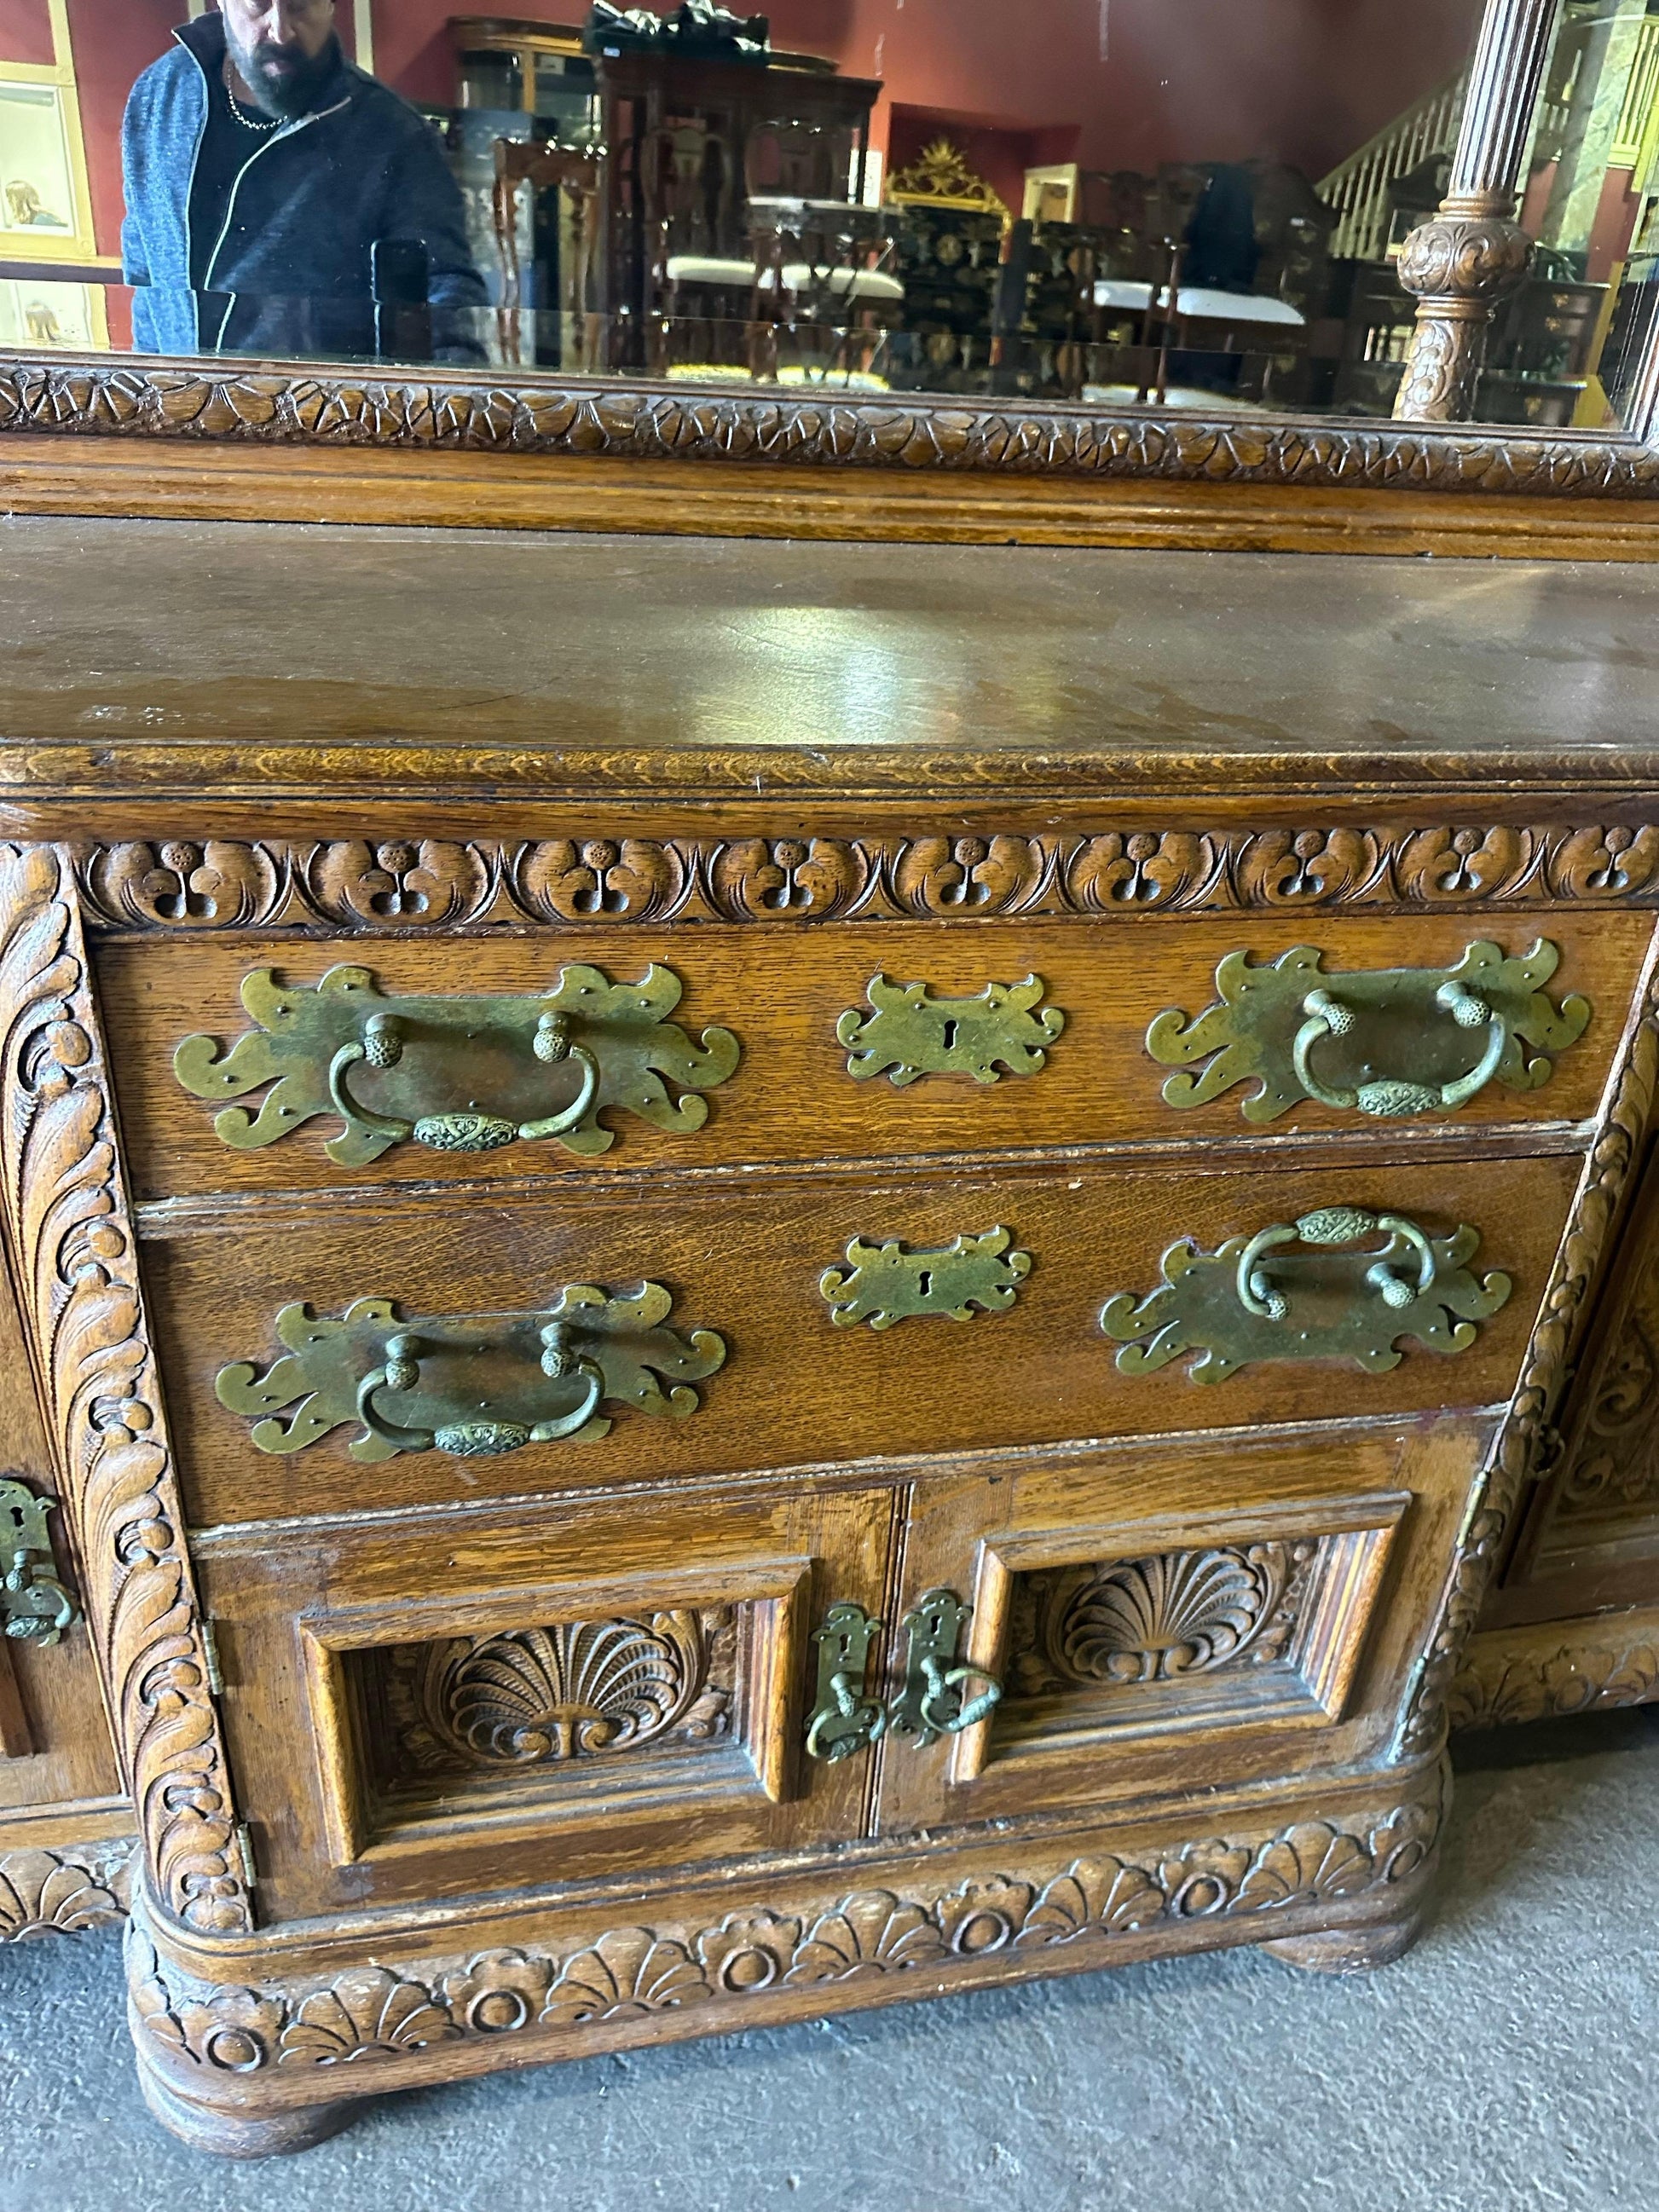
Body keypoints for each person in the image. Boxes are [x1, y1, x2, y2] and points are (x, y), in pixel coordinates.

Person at [120, 2, 487, 361]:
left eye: (300, 5)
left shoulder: (393, 135)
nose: (280, 30)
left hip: (328, 415)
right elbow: (143, 271)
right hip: (177, 407)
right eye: (258, 5)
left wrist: (450, 409)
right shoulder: (158, 95)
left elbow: (445, 296)